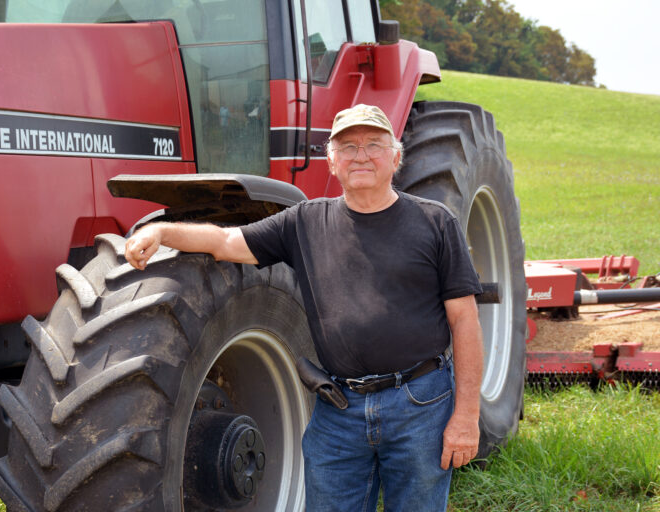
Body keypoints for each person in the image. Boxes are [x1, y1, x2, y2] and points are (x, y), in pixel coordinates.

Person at [125, 104, 484, 512]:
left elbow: (465, 320)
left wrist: (466, 415)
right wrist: (161, 230)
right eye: (347, 147)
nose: (360, 155)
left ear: (396, 156)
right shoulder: (305, 223)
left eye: (374, 145)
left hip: (420, 403)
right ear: (331, 161)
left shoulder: (435, 223)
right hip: (339, 408)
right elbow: (225, 242)